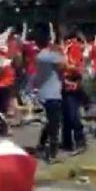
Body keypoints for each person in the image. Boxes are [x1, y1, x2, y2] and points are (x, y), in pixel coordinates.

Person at [35, 23, 65, 164]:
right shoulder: (50, 56)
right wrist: (59, 50)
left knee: (49, 122)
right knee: (54, 124)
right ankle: (52, 154)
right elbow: (63, 66)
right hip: (52, 93)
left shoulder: (41, 55)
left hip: (45, 92)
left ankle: (41, 145)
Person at [62, 32, 86, 155]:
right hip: (65, 86)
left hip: (72, 85)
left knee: (73, 115)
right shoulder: (65, 48)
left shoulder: (73, 47)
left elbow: (77, 69)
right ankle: (67, 143)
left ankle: (79, 141)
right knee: (66, 116)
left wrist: (64, 67)